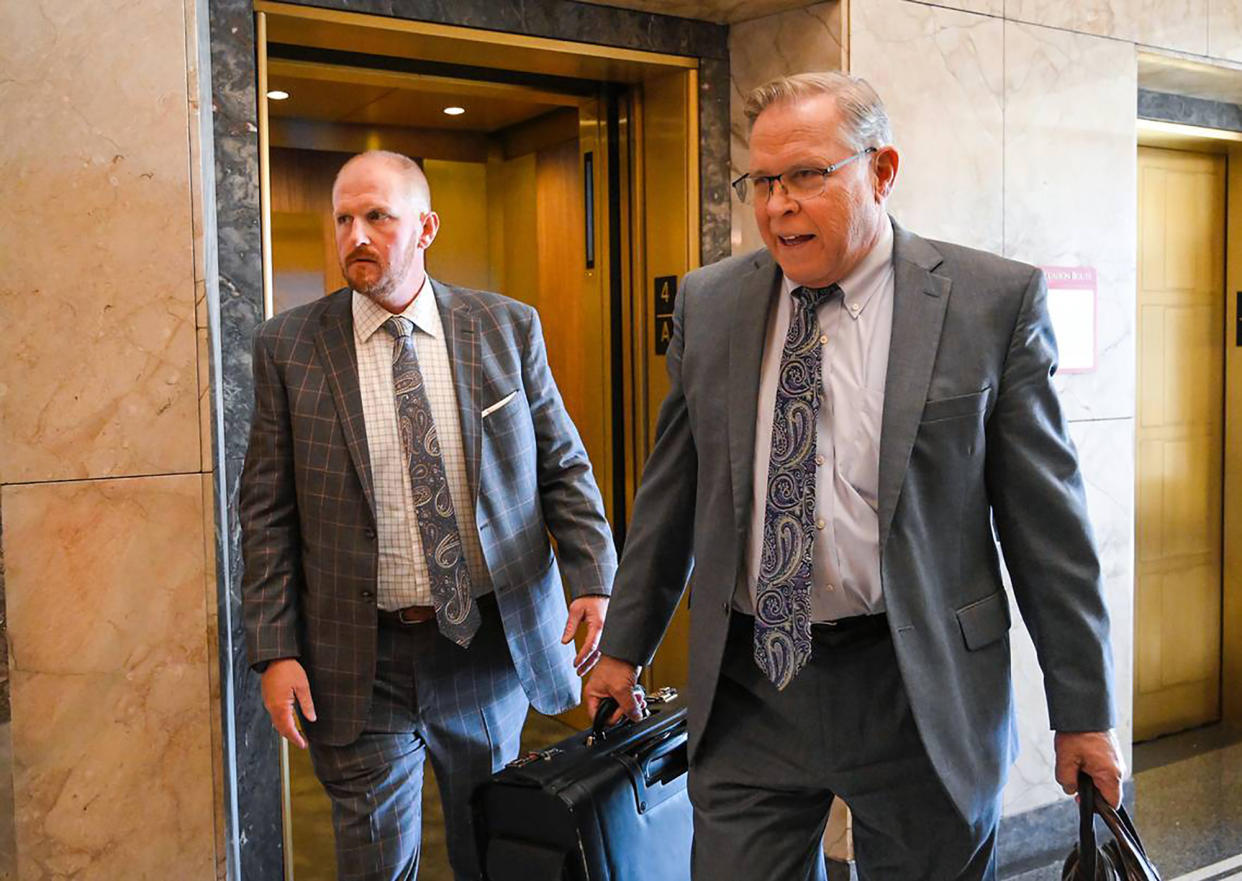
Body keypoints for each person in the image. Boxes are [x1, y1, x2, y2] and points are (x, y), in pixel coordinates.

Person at [584, 71, 1123, 881]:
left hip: (918, 686)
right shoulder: (713, 303)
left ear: (882, 169)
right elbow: (673, 492)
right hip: (752, 685)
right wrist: (624, 645)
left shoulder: (988, 303)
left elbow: (1049, 531)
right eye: (763, 181)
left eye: (806, 174)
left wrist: (1083, 713)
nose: (777, 206)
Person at [241, 149, 617, 881]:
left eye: (377, 216)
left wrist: (593, 577)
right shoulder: (288, 347)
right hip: (359, 653)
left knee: (495, 846)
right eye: (343, 218)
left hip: (482, 646)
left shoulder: (505, 327)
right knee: (376, 861)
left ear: (425, 226)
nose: (355, 234)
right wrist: (274, 646)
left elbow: (562, 467)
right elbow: (266, 513)